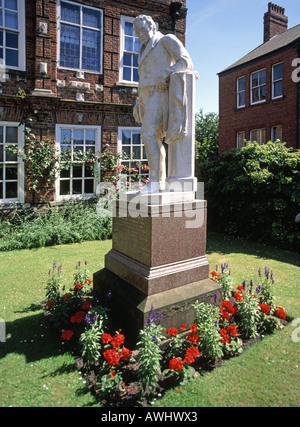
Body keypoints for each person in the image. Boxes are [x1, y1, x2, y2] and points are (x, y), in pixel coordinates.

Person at [133, 15, 193, 193]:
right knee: (154, 138)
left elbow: (186, 62)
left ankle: (153, 183)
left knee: (147, 134)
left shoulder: (166, 40)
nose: (141, 34)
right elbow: (143, 76)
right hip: (144, 96)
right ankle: (159, 181)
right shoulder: (142, 50)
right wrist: (138, 101)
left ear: (152, 27)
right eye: (137, 32)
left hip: (159, 92)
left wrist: (167, 73)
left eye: (144, 30)